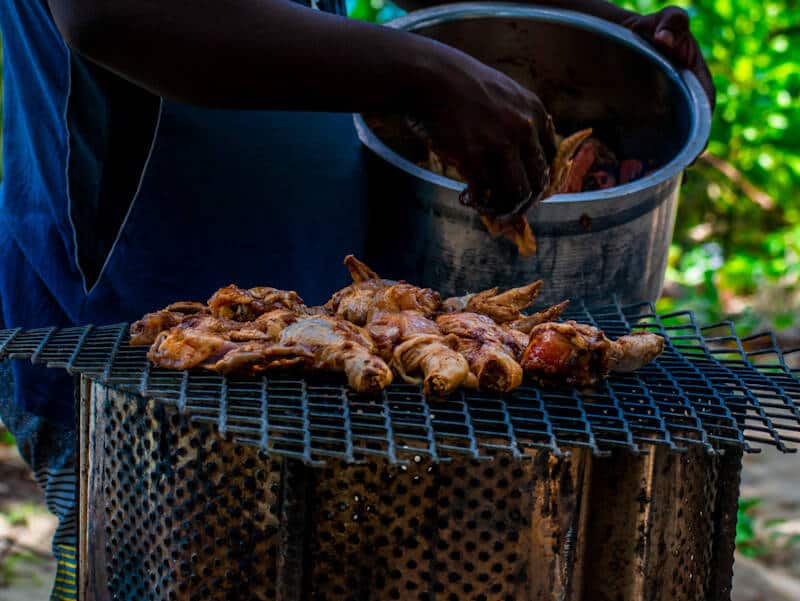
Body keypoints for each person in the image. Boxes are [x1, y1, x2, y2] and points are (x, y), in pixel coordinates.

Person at [0, 0, 713, 598]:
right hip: (143, 341)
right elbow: (112, 14)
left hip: (324, 343)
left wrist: (602, 22)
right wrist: (430, 79)